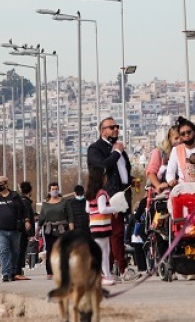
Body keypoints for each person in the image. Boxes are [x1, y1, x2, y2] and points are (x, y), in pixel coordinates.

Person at [87, 116, 132, 281]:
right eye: (111, 127)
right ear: (102, 131)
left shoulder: (119, 150)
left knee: (117, 234)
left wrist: (130, 180)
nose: (115, 130)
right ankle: (120, 267)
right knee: (114, 234)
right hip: (107, 196)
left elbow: (122, 171)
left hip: (122, 194)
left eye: (116, 126)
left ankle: (111, 269)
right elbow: (101, 167)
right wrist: (117, 152)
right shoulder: (95, 149)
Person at [0, 175, 30, 282]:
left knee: (15, 251)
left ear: (6, 184)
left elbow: (24, 210)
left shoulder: (15, 196)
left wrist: (27, 220)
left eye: (0, 184)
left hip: (15, 229)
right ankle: (5, 273)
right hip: (0, 230)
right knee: (3, 250)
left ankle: (12, 272)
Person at [85, 167, 123, 285]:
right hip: (103, 226)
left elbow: (87, 209)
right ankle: (100, 276)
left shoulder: (89, 194)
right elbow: (102, 209)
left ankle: (106, 274)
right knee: (103, 252)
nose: (106, 178)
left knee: (104, 251)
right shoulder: (101, 193)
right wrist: (115, 209)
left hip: (95, 226)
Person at [165, 118, 195, 186]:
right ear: (180, 136)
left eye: (188, 132)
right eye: (183, 134)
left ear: (194, 132)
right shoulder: (176, 150)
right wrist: (171, 181)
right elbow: (170, 172)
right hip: (183, 189)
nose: (186, 135)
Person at [40, 181, 70, 280]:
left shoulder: (64, 202)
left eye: (56, 189)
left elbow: (70, 216)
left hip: (62, 228)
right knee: (50, 250)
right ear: (49, 191)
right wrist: (37, 231)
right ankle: (50, 271)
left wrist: (72, 229)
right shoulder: (45, 204)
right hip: (49, 230)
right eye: (53, 189)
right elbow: (41, 218)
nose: (55, 191)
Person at [146, 125, 182, 192]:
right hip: (163, 190)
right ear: (170, 139)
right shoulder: (159, 152)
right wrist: (158, 186)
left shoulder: (186, 152)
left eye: (181, 138)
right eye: (176, 138)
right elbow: (151, 172)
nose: (179, 141)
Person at [16, 181, 36, 278]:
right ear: (30, 191)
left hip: (17, 229)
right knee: (21, 250)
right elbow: (27, 215)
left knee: (18, 250)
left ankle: (17, 270)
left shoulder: (18, 200)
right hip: (23, 230)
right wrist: (30, 233)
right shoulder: (26, 202)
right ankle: (18, 271)